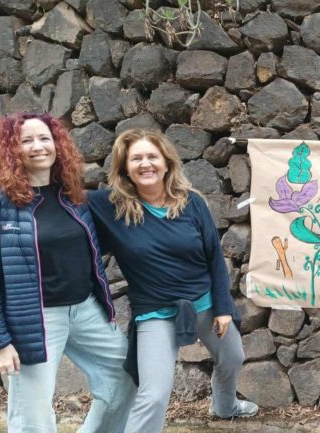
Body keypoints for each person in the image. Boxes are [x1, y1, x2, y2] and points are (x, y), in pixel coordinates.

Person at [87, 129, 257, 433]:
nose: (145, 164)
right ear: (125, 168)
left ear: (166, 162)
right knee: (153, 396)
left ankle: (225, 406)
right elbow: (62, 197)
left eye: (152, 156)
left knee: (233, 358)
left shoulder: (191, 203)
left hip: (204, 302)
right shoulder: (111, 206)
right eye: (135, 158)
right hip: (155, 312)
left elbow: (214, 258)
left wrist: (222, 307)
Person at [0, 112, 135, 433]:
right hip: (33, 319)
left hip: (84, 309)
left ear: (57, 144)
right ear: (11, 149)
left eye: (44, 138)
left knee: (127, 375)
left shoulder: (73, 196)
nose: (38, 146)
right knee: (33, 419)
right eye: (26, 140)